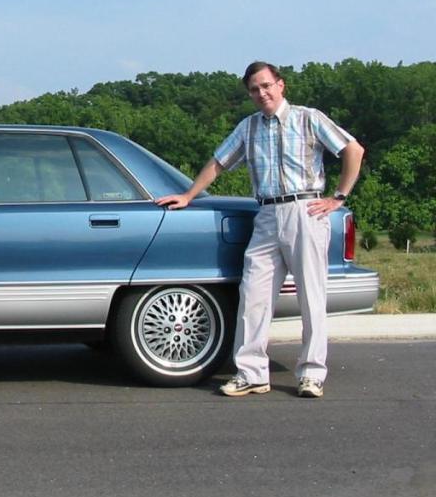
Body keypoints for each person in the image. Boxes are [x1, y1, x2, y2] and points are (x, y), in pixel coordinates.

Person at [155, 61, 364, 398]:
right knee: (252, 295)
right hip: (265, 213)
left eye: (266, 85)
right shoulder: (249, 127)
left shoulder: (308, 118)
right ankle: (252, 373)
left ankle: (311, 373)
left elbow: (353, 149)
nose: (262, 93)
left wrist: (338, 197)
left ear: (280, 85)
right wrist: (188, 195)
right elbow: (218, 162)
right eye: (254, 89)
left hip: (305, 210)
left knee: (311, 296)